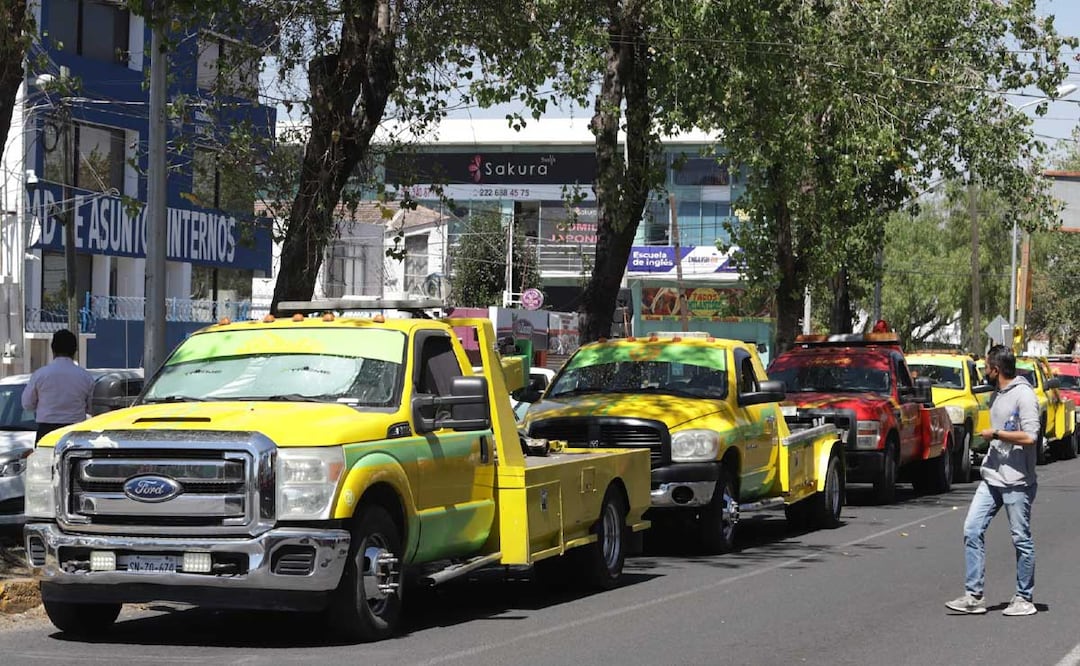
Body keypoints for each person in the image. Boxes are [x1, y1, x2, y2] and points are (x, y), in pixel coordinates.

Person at [945, 344, 1041, 616]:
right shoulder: (997, 394)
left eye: (986, 369)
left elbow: (1031, 436)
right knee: (972, 529)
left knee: (1021, 538)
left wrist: (996, 434)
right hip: (992, 478)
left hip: (1017, 481)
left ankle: (1024, 597)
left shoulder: (1024, 396)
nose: (984, 373)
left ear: (996, 370)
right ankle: (974, 595)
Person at [21, 329, 95, 442]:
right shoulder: (85, 377)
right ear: (75, 350)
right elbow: (91, 408)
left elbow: (27, 404)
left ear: (52, 349)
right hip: (75, 432)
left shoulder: (40, 375)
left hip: (46, 432)